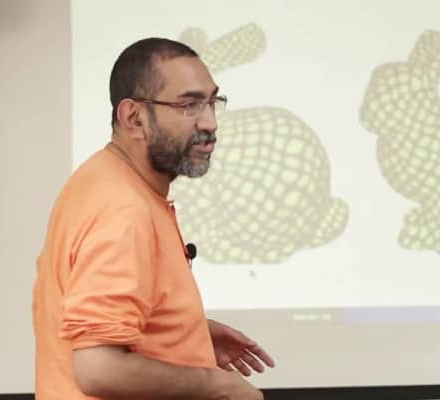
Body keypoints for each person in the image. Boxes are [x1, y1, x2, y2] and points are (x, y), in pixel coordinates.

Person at [32, 37, 274, 400]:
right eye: (189, 105)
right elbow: (98, 368)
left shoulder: (101, 179)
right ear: (134, 118)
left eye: (212, 102)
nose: (211, 122)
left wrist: (190, 332)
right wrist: (217, 385)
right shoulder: (123, 210)